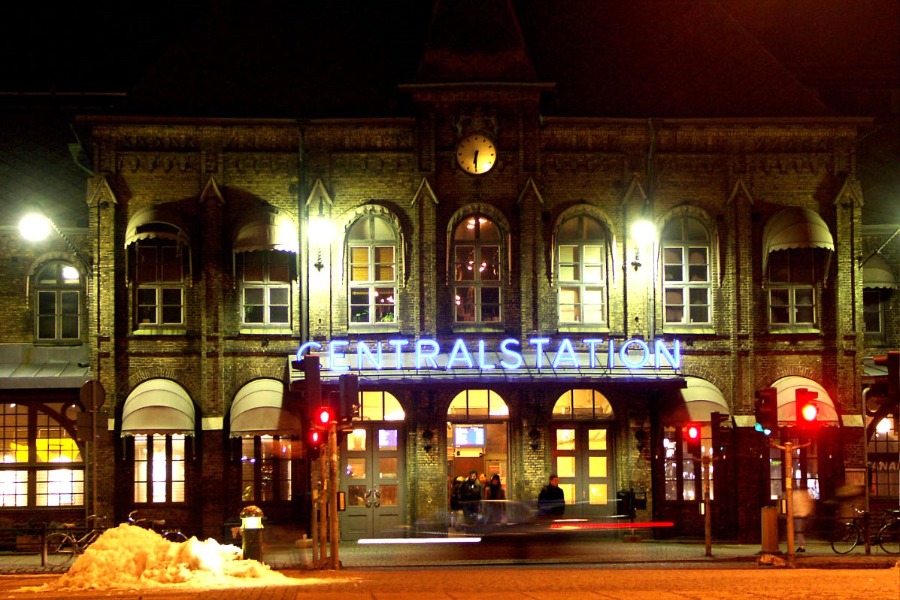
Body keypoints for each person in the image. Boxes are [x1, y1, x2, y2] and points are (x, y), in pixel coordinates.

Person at [793, 487, 815, 552]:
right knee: (799, 531)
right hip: (803, 514)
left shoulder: (795, 494)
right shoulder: (805, 494)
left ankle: (801, 546)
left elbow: (795, 505)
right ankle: (801, 545)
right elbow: (810, 504)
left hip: (798, 514)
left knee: (799, 531)